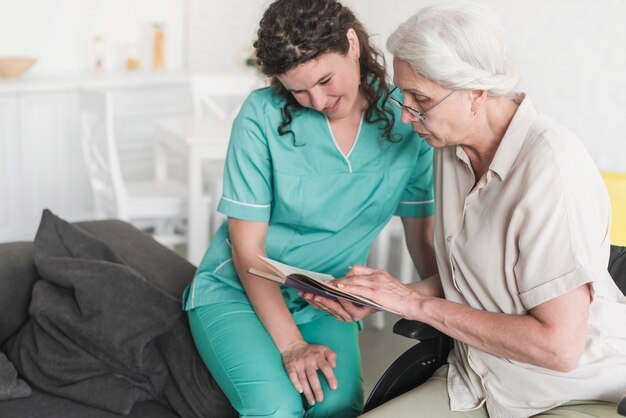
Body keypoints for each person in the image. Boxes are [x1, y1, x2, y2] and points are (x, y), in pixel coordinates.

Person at [301, 2, 626, 417]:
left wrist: (413, 304)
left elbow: (558, 348)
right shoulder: (450, 145)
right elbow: (480, 277)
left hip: (569, 390)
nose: (405, 115)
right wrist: (385, 297)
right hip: (477, 377)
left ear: (477, 92)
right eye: (405, 95)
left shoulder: (552, 168)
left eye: (420, 98)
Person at [182, 0, 438, 416]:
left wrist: (429, 307)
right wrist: (292, 346)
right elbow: (248, 251)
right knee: (276, 408)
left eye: (324, 80)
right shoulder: (260, 117)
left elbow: (422, 238)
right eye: (297, 90)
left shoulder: (406, 120)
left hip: (325, 301)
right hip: (237, 293)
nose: (317, 100)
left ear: (352, 44)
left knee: (338, 407)